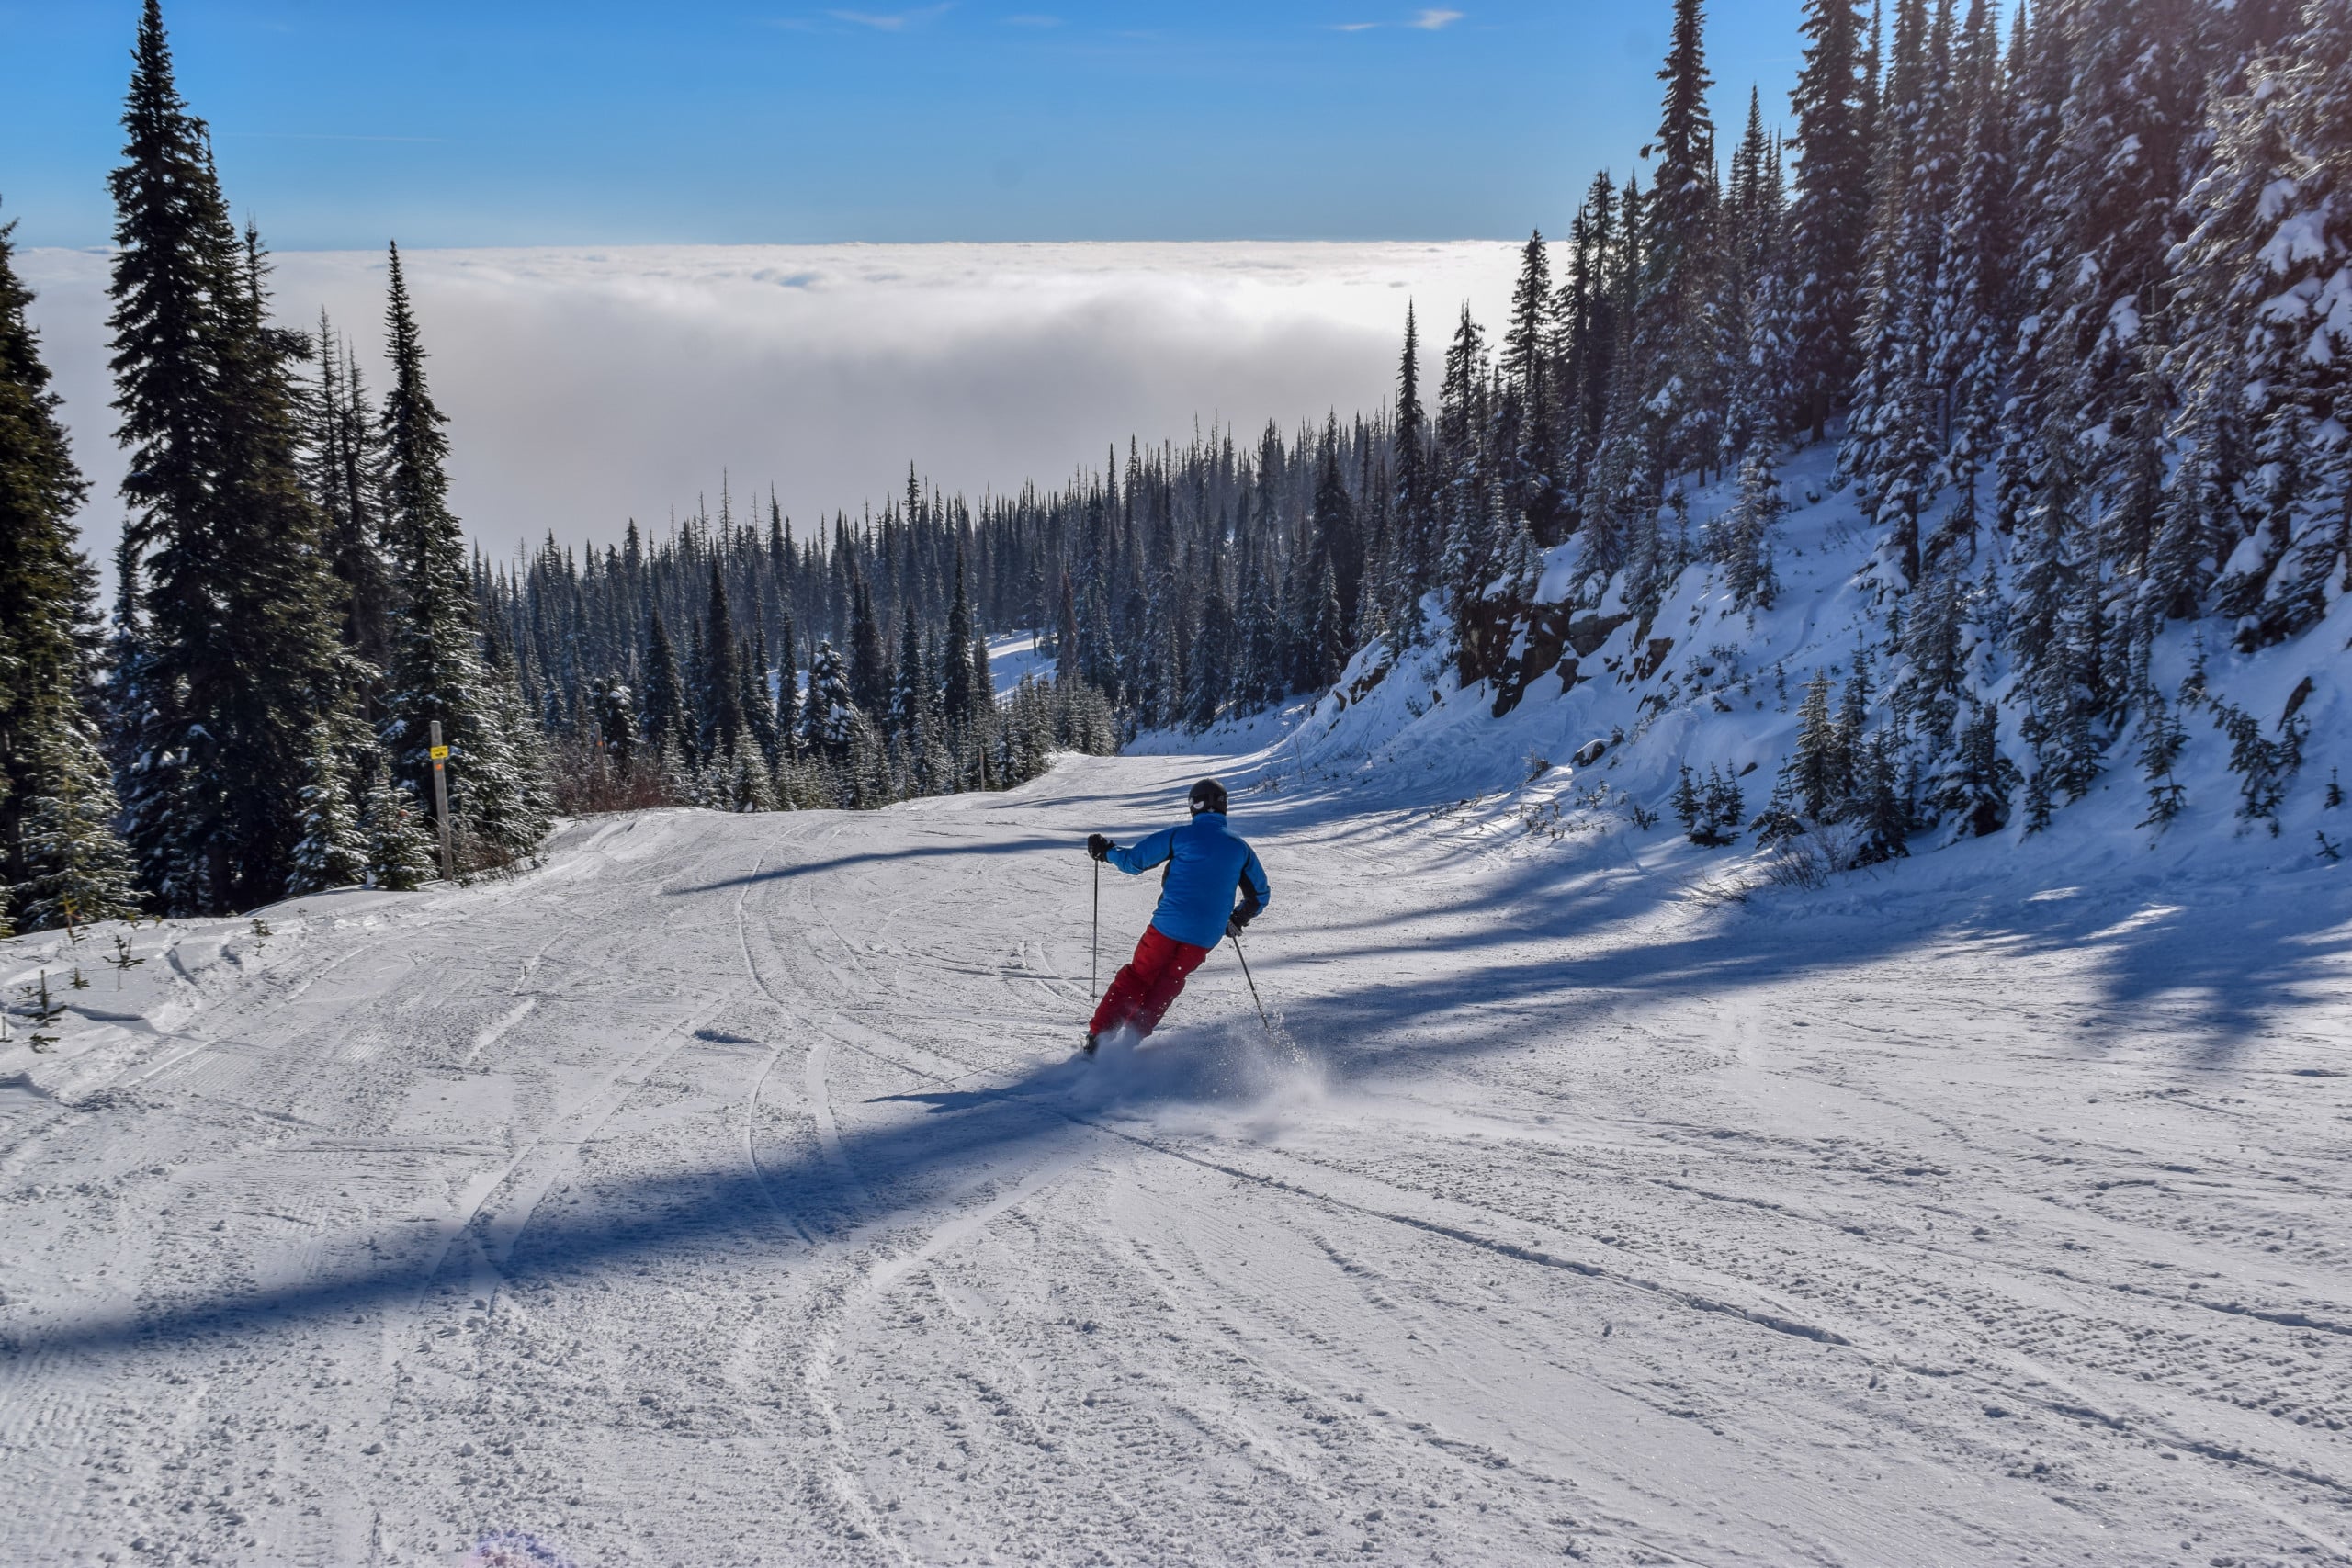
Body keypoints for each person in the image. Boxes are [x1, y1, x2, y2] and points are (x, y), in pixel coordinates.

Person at [1084, 777, 1271, 1054]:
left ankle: (1099, 1042)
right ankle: (1130, 1041)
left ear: (1194, 805)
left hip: (1168, 926)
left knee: (1140, 975)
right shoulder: (1240, 849)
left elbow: (1134, 862)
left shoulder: (1180, 837)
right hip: (1205, 936)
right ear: (1223, 808)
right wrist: (1237, 918)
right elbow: (1260, 895)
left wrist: (1106, 852)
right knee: (1169, 981)